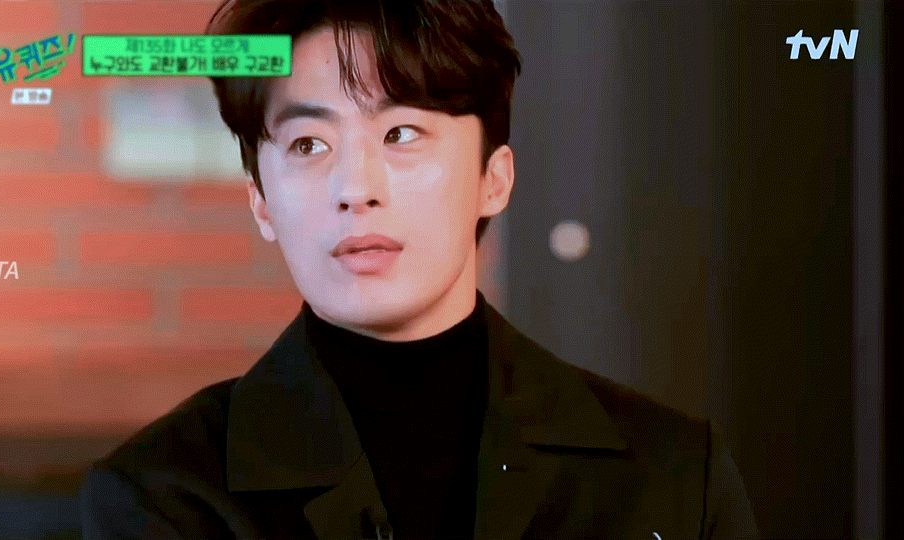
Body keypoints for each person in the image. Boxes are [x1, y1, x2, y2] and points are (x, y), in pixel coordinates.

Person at [79, 1, 761, 538]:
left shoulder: (672, 476)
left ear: (494, 179)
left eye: (401, 133)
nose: (356, 188)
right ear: (260, 200)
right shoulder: (166, 495)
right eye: (309, 143)